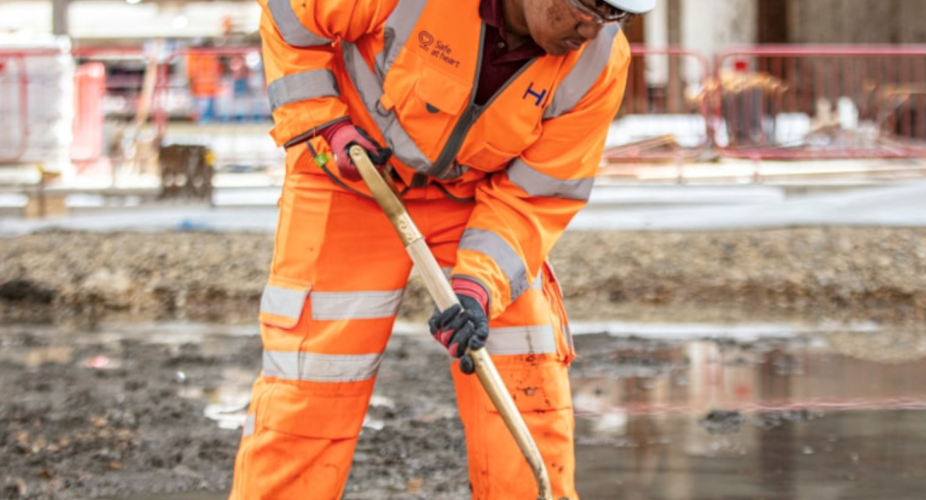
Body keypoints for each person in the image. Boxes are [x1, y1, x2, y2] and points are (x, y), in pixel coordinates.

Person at [228, 0, 653, 498]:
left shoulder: (599, 62)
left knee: (525, 369)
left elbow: (536, 195)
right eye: (588, 6)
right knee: (312, 381)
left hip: (476, 196)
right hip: (352, 176)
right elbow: (290, 15)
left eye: (614, 14)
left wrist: (478, 286)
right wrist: (324, 122)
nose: (593, 27)